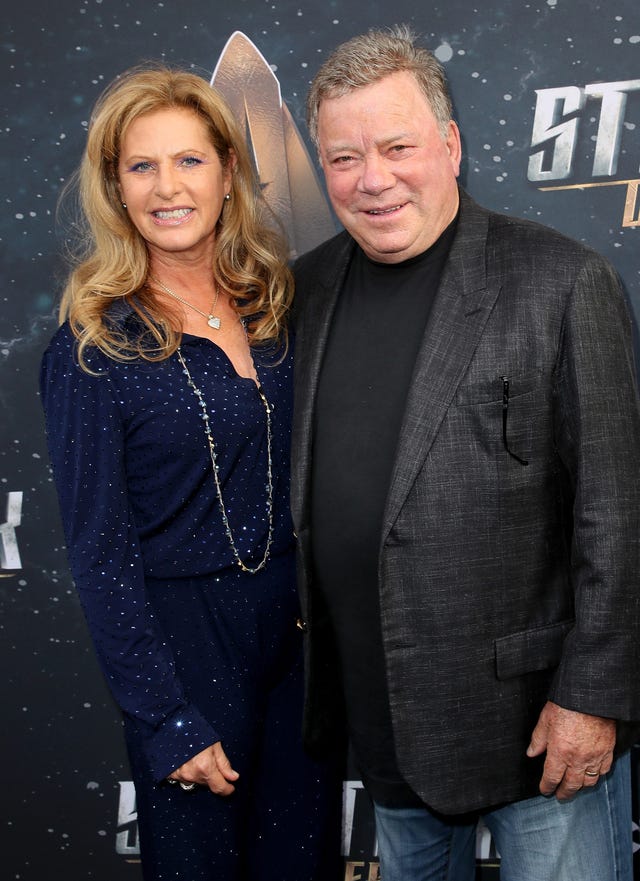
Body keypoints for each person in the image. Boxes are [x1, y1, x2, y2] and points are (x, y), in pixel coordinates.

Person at [290, 24, 640, 881]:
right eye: (344, 158)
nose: (373, 179)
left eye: (397, 147)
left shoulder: (562, 280)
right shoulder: (304, 290)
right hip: (385, 725)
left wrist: (592, 697)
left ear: (450, 145)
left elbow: (619, 512)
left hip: (539, 730)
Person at [40, 66, 340, 881]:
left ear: (228, 173)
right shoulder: (93, 348)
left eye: (189, 161)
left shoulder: (276, 308)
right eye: (142, 166)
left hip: (298, 655)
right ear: (116, 188)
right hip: (185, 658)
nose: (168, 187)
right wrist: (165, 716)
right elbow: (100, 556)